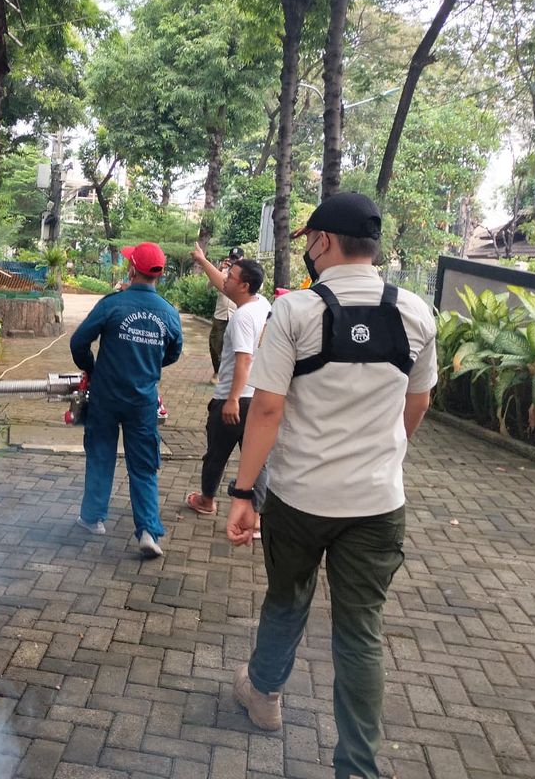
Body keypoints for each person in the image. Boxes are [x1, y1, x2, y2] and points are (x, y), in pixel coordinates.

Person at [223, 192, 437, 779]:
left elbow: (266, 409)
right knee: (361, 632)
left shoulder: (295, 312)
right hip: (377, 503)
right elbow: (417, 403)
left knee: (287, 599)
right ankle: (358, 769)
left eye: (309, 242)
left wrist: (242, 495)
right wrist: (384, 454)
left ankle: (264, 697)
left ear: (322, 242)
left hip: (299, 497)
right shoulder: (416, 312)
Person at [70, 241, 183, 557]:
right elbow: (173, 352)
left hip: (105, 396)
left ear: (133, 270)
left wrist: (91, 368)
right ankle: (148, 531)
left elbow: (79, 341)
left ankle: (92, 518)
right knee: (144, 466)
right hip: (143, 400)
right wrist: (148, 365)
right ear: (157, 275)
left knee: (101, 454)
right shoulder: (169, 313)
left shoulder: (112, 304)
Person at [185, 245, 270, 517]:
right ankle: (256, 516)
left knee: (216, 455)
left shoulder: (242, 317)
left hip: (235, 399)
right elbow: (223, 285)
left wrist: (232, 399)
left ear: (244, 285)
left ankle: (207, 501)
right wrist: (201, 259)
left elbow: (243, 360)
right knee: (256, 458)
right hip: (256, 397)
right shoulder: (261, 303)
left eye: (230, 275)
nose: (225, 276)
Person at [208, 247, 244, 381]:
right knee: (215, 343)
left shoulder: (246, 273)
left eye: (237, 258)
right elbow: (209, 285)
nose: (233, 261)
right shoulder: (223, 271)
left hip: (237, 313)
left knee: (236, 345)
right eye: (232, 258)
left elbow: (258, 286)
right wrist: (219, 269)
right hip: (221, 313)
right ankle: (217, 371)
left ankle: (231, 375)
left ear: (242, 259)